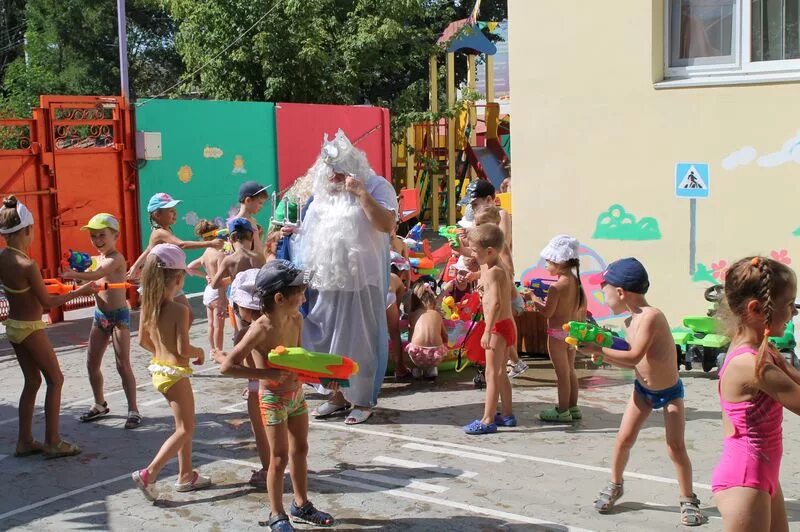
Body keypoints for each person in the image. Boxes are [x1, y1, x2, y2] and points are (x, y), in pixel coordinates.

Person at [287, 130, 398, 425]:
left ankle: (361, 400)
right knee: (324, 341)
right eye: (329, 171)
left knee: (358, 343)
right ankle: (336, 396)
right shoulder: (322, 195)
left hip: (362, 282)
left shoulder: (376, 185)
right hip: (325, 283)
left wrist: (361, 193)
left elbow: (386, 224)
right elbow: (307, 243)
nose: (333, 177)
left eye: (338, 171)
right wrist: (303, 280)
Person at [581, 258, 702, 526]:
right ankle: (616, 483)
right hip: (642, 390)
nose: (603, 295)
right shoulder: (628, 322)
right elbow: (625, 352)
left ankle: (688, 498)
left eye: (605, 289)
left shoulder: (651, 316)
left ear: (621, 292)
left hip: (670, 392)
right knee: (623, 440)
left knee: (675, 447)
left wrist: (598, 351)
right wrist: (599, 344)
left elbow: (634, 357)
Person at [220, 260, 334, 530]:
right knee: (279, 457)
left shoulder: (296, 318)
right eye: (300, 292)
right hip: (272, 400)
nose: (304, 297)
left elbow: (301, 359)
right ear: (280, 297)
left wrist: (327, 378)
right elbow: (227, 366)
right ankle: (276, 513)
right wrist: (266, 376)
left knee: (301, 449)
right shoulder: (260, 328)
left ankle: (301, 505)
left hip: (296, 395)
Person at [0, 196, 98, 458]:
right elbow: (47, 302)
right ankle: (53, 441)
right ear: (27, 231)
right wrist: (81, 291)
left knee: (32, 382)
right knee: (55, 380)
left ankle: (25, 441)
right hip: (31, 327)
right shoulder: (27, 264)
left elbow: (26, 291)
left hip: (13, 326)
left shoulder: (4, 257)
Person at [711, 256, 799, 531]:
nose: (794, 312)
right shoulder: (752, 365)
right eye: (788, 305)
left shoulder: (766, 350)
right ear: (757, 309)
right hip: (745, 480)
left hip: (763, 474)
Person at [131, 244, 211, 501]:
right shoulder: (179, 309)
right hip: (175, 373)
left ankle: (186, 475)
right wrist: (197, 351)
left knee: (183, 425)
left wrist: (162, 353)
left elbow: (143, 340)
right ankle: (149, 474)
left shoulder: (149, 305)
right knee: (185, 429)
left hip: (159, 369)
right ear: (178, 279)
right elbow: (183, 348)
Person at [62, 213, 141, 429]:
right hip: (100, 317)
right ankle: (100, 404)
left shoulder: (116, 258)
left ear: (115, 235)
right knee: (91, 363)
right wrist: (77, 278)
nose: (97, 241)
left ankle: (133, 409)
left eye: (102, 235)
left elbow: (98, 274)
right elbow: (91, 281)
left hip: (119, 318)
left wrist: (74, 275)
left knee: (122, 364)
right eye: (93, 236)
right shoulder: (95, 260)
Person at [127, 192, 223, 322]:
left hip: (170, 280)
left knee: (187, 315)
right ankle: (161, 341)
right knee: (152, 319)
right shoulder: (160, 232)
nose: (175, 213)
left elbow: (149, 249)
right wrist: (210, 243)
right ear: (157, 214)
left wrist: (135, 265)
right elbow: (181, 244)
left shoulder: (164, 230)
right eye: (170, 211)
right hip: (158, 281)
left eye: (174, 210)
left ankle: (176, 341)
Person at [462, 223, 515, 435]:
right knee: (500, 373)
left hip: (496, 327)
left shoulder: (493, 272)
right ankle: (508, 414)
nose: (473, 255)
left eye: (475, 251)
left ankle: (488, 419)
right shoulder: (497, 265)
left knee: (491, 373)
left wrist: (487, 330)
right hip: (505, 325)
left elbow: (495, 304)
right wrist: (476, 277)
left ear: (490, 251)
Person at [533, 236, 587, 421]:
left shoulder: (556, 287)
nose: (546, 265)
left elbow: (548, 313)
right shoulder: (576, 282)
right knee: (570, 371)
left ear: (560, 262)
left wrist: (533, 300)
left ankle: (562, 410)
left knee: (561, 374)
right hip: (571, 333)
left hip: (556, 335)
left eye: (549, 261)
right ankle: (573, 407)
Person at [228, 268, 271, 490]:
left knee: (261, 432)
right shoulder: (278, 323)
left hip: (257, 387)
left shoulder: (246, 333)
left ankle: (267, 470)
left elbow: (238, 366)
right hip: (283, 387)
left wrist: (220, 357)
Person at [211, 217, 267, 339]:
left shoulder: (229, 260)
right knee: (259, 337)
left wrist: (233, 278)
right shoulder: (259, 257)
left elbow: (214, 284)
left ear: (230, 239)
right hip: (258, 301)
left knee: (243, 337)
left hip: (240, 303)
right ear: (252, 237)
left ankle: (243, 358)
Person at [187, 220, 228, 360]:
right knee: (219, 327)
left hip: (208, 291)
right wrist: (223, 300)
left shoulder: (206, 253)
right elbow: (221, 279)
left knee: (210, 325)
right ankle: (218, 351)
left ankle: (212, 350)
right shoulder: (220, 254)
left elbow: (190, 267)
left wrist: (205, 275)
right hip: (217, 292)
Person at [406, 280, 448, 380]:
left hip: (417, 356)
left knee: (407, 348)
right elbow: (445, 336)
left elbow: (410, 337)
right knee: (441, 344)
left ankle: (415, 369)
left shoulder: (412, 315)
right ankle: (432, 369)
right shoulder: (437, 314)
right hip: (436, 355)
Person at [458, 179, 512, 251]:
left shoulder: (501, 215)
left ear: (488, 200)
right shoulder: (478, 216)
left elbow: (503, 246)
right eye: (472, 205)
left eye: (475, 204)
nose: (473, 208)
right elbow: (472, 243)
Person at [387, 257, 410, 380]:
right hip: (389, 295)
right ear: (401, 272)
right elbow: (399, 306)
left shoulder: (375, 272)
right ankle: (400, 368)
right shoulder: (396, 279)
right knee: (395, 333)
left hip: (371, 292)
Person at [236, 181, 270, 256]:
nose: (262, 206)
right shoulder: (238, 222)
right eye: (260, 203)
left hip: (256, 264)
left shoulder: (252, 221)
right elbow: (242, 252)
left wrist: (258, 236)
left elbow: (254, 247)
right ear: (248, 200)